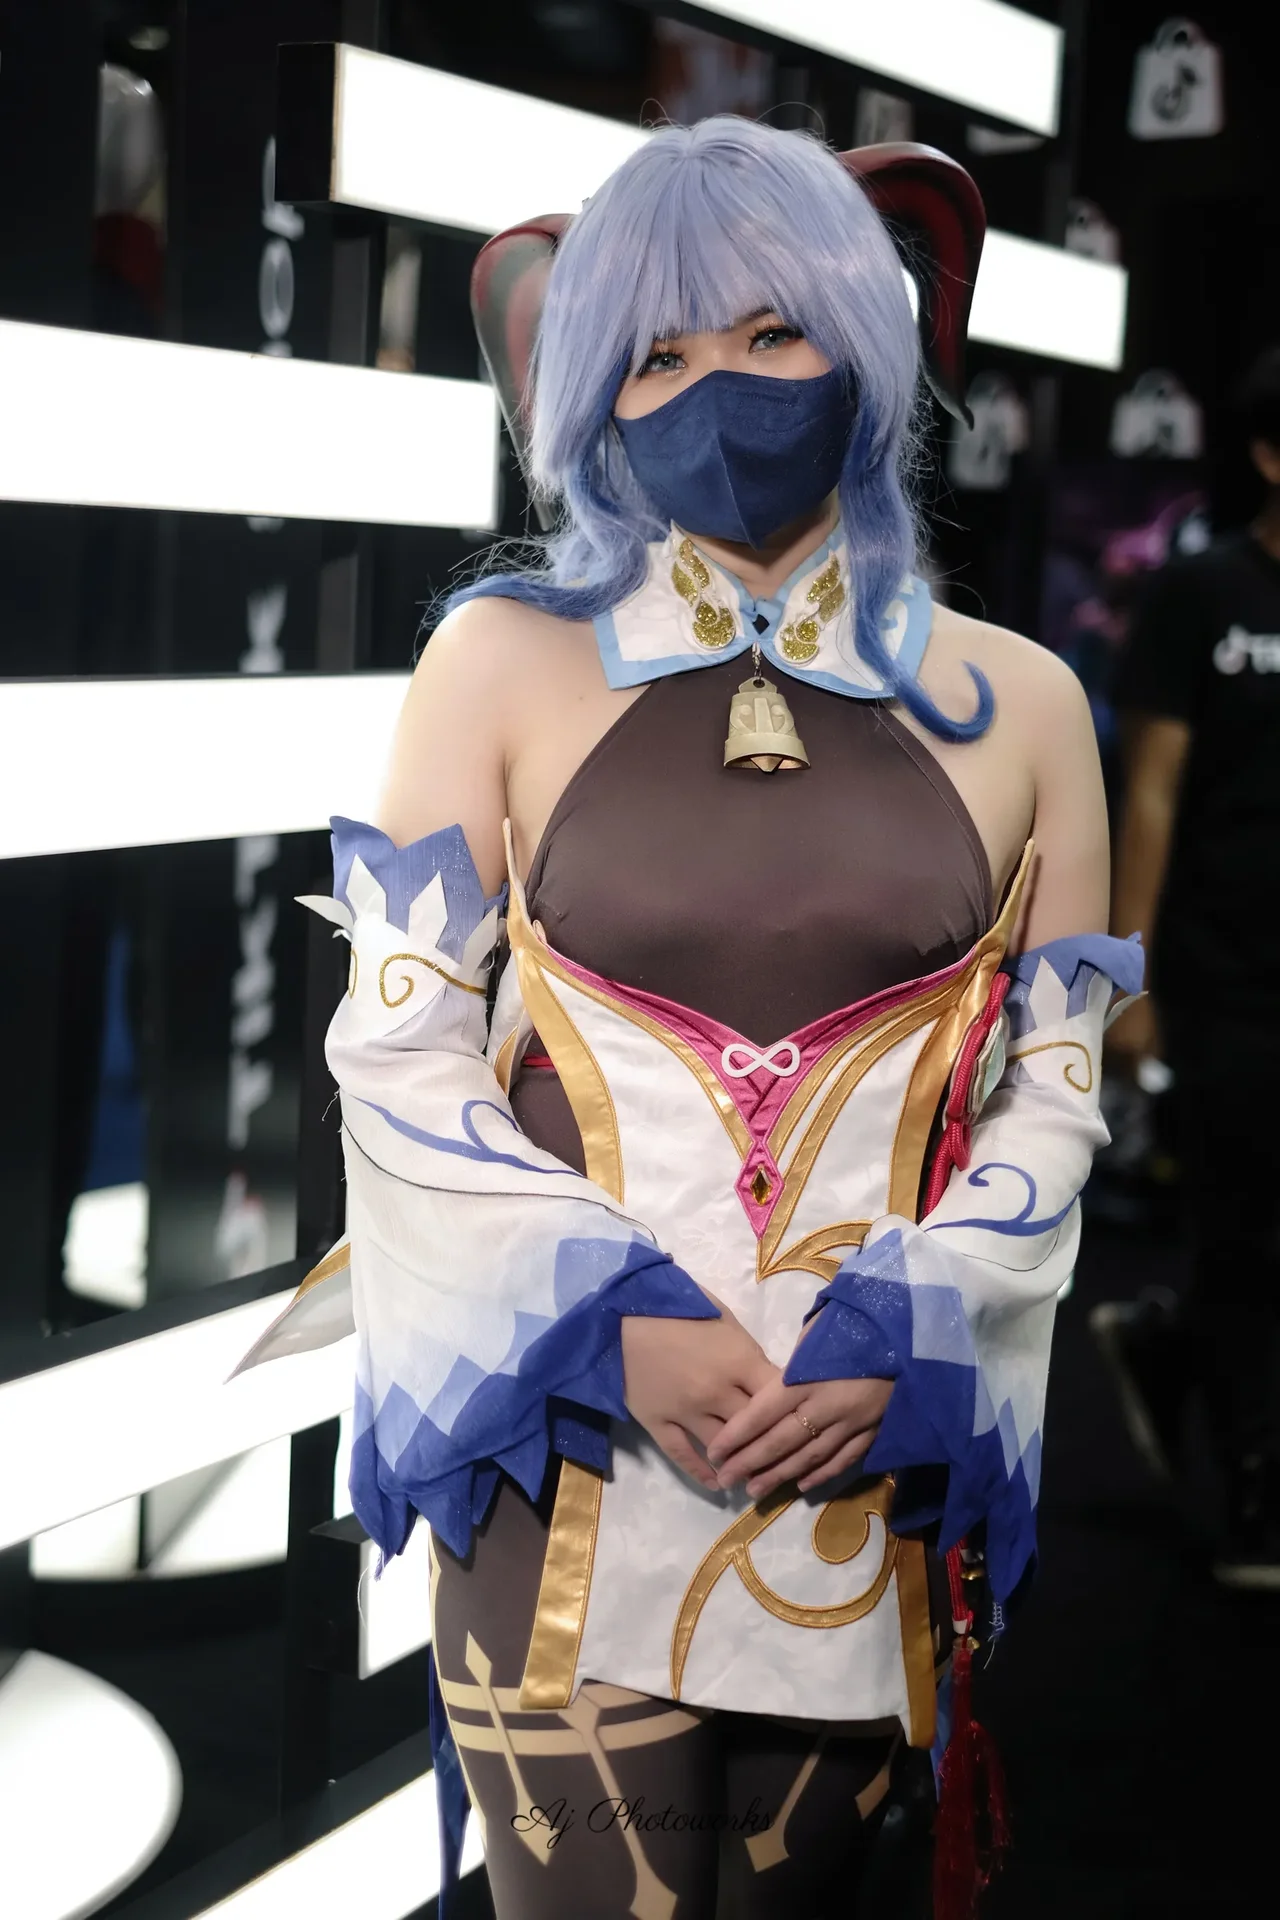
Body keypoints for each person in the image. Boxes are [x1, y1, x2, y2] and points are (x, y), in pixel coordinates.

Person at [244, 118, 1137, 1917]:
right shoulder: (498, 658)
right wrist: (605, 1314)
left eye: (768, 330)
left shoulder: (1028, 701)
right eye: (654, 353)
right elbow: (400, 1053)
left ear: (864, 333)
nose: (714, 384)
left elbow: (1053, 1096)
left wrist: (919, 1320)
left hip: (860, 1458)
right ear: (588, 389)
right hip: (563, 1448)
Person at [1096, 345, 1280, 1590]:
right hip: (1224, 976)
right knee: (1245, 1232)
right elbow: (1149, 793)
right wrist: (1131, 977)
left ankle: (1167, 1345)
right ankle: (1256, 1489)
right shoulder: (1200, 596)